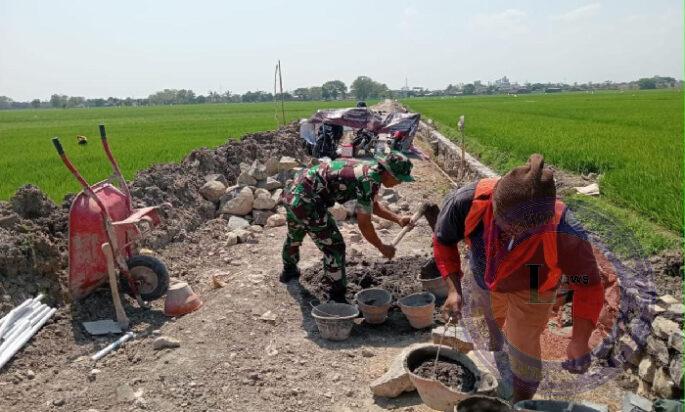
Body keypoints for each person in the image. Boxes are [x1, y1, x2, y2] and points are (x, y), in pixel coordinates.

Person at [433, 154, 604, 402]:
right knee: (489, 313)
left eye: (522, 232)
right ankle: (495, 337)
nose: (511, 234)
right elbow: (443, 241)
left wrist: (579, 340)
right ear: (495, 203)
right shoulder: (468, 201)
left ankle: (521, 401)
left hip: (536, 276)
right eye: (505, 225)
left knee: (523, 342)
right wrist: (453, 290)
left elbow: (588, 286)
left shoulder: (565, 230)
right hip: (485, 274)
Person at [280, 151, 415, 302]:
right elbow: (364, 223)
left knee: (295, 233)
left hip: (292, 193)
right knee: (334, 247)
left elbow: (371, 205)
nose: (400, 183)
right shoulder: (369, 181)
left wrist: (398, 219)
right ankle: (336, 296)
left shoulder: (369, 171)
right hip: (307, 202)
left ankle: (288, 270)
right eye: (400, 179)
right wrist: (381, 246)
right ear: (390, 174)